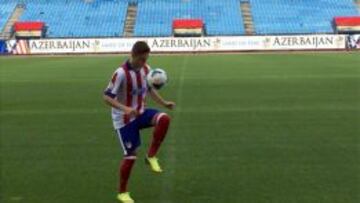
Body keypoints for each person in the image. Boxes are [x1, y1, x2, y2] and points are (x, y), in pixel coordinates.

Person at [103, 41, 176, 203]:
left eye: (146, 59)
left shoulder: (146, 70)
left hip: (141, 113)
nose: (144, 63)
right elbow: (106, 97)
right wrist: (126, 109)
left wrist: (164, 104)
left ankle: (151, 156)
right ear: (133, 55)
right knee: (130, 157)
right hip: (124, 120)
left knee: (164, 119)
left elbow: (150, 90)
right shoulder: (121, 73)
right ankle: (122, 192)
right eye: (142, 59)